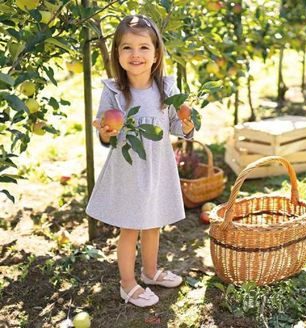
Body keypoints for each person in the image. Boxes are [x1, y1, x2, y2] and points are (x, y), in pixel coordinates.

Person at [86, 14, 194, 307]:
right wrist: (107, 132)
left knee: (153, 223)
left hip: (158, 168)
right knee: (130, 227)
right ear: (117, 54)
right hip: (129, 172)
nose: (136, 54)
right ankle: (127, 283)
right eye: (127, 48)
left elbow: (178, 127)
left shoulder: (166, 89)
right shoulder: (114, 92)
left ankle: (149, 272)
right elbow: (106, 137)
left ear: (156, 53)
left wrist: (186, 121)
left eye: (144, 47)